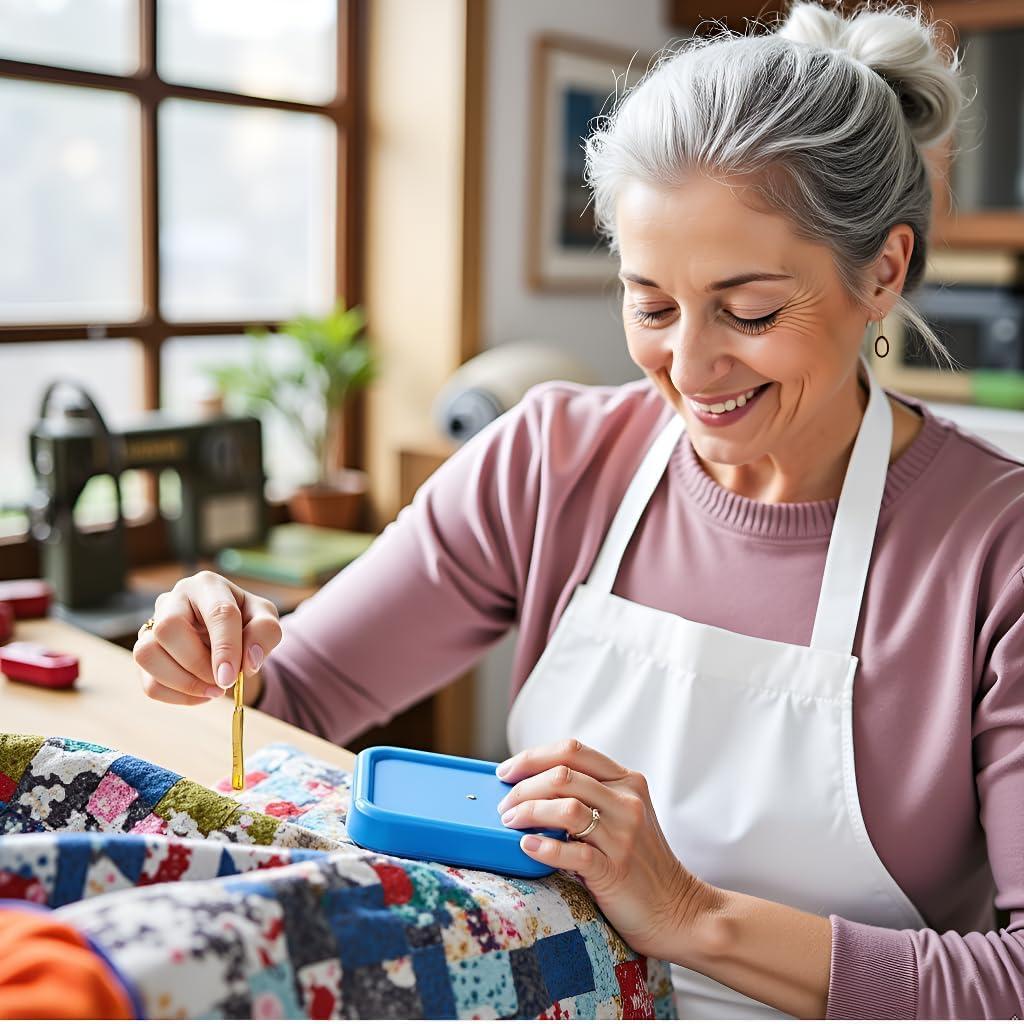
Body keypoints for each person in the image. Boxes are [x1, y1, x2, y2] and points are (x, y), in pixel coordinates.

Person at [133, 2, 1024, 1018]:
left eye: (750, 310)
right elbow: (291, 702)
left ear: (884, 270)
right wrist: (216, 647)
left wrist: (686, 913)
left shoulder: (996, 551)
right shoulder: (552, 459)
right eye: (649, 305)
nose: (689, 368)